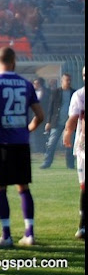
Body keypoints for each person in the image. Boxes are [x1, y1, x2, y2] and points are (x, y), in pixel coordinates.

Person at [0, 47, 45, 247]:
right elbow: (40, 116)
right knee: (23, 188)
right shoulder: (26, 84)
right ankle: (29, 233)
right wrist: (26, 130)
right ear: (14, 61)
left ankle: (6, 235)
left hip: (2, 142)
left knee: (0, 188)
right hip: (21, 143)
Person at [62, 66, 84, 240]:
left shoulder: (80, 95)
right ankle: (83, 225)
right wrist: (69, 131)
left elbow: (74, 118)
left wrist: (68, 131)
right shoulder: (79, 95)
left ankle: (82, 226)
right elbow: (74, 117)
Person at [41, 74, 76, 169]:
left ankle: (70, 164)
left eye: (69, 80)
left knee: (70, 144)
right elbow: (50, 108)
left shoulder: (74, 92)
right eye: (66, 80)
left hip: (70, 123)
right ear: (62, 81)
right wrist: (48, 122)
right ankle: (47, 163)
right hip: (57, 122)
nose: (68, 82)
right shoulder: (56, 92)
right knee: (51, 143)